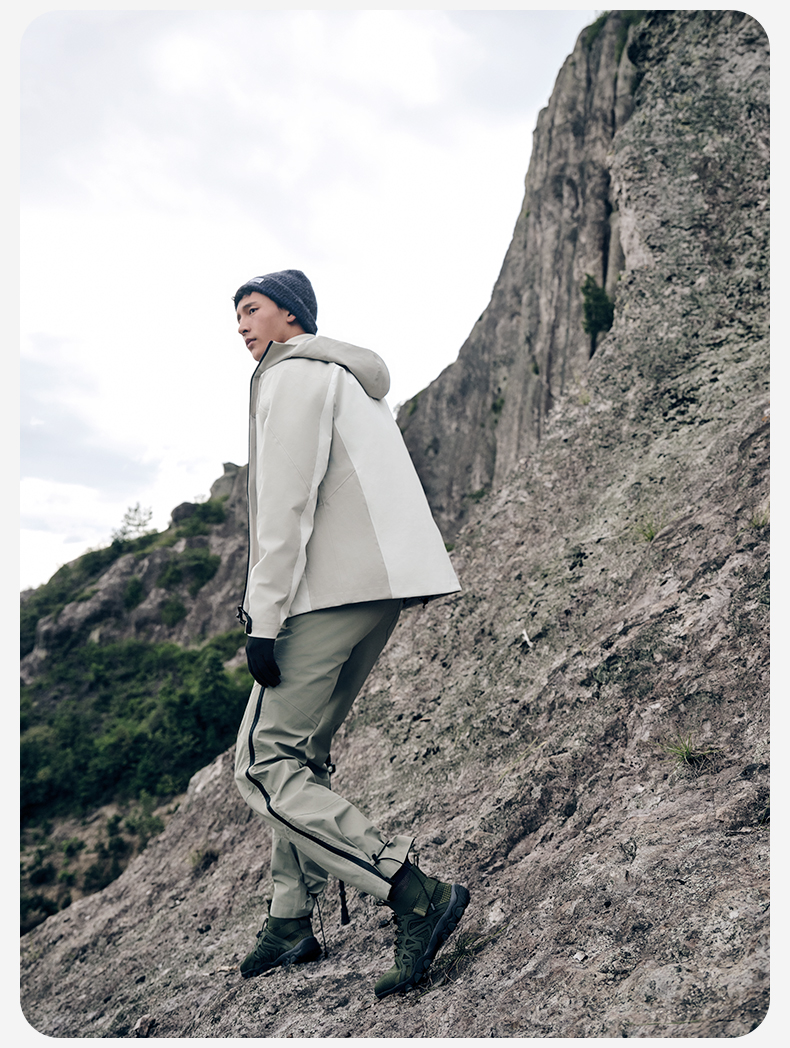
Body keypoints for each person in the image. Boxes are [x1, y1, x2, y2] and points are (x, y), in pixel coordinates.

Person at [231, 269, 469, 998]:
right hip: (379, 591)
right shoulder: (350, 377)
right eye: (236, 315)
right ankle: (289, 919)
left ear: (290, 316)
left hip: (327, 594)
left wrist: (263, 616)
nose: (240, 325)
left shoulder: (292, 374)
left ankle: (414, 894)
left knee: (262, 764)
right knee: (302, 753)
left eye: (252, 309)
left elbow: (285, 507)